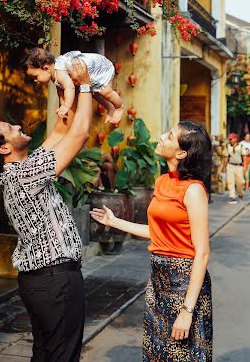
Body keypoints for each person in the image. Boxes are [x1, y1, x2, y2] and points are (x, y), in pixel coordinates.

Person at [0, 59, 92, 362]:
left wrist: (67, 88)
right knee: (62, 357)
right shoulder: (22, 175)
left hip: (43, 282)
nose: (18, 126)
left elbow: (62, 130)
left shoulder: (24, 169)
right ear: (4, 149)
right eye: (10, 128)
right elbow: (78, 137)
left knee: (47, 355)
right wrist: (87, 86)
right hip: (54, 281)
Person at [90, 121, 213, 362]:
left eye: (169, 136)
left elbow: (202, 253)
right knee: (156, 352)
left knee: (182, 355)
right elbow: (158, 233)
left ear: (181, 153)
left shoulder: (193, 190)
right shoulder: (162, 182)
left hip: (184, 284)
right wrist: (114, 222)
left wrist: (187, 311)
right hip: (157, 281)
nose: (161, 136)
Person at [24, 47, 124, 124]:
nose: (35, 80)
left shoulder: (60, 71)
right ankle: (110, 107)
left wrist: (67, 106)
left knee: (106, 92)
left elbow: (69, 87)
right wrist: (63, 106)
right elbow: (61, 92)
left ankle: (119, 107)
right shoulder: (55, 75)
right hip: (90, 73)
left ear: (46, 68)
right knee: (96, 94)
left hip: (101, 67)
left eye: (35, 76)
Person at [223, 133, 245, 204]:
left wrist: (245, 167)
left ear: (235, 139)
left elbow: (244, 157)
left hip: (239, 166)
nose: (230, 140)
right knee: (230, 181)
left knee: (240, 182)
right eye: (229, 139)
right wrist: (224, 167)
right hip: (230, 166)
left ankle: (240, 193)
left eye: (231, 139)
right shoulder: (228, 146)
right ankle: (232, 196)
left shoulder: (241, 147)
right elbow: (226, 157)